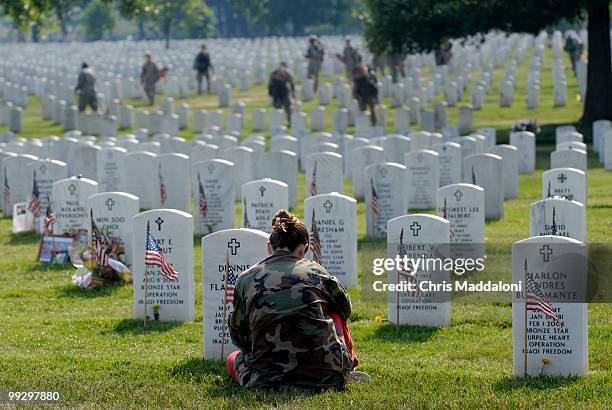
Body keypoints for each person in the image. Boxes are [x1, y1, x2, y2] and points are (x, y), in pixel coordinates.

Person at [228, 209, 368, 388]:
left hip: (266, 379)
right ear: (303, 249)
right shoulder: (316, 271)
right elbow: (345, 308)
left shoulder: (246, 278)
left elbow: (240, 336)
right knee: (334, 309)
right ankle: (346, 364)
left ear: (269, 246)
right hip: (327, 375)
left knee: (233, 358)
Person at [268, 62, 295, 127]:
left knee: (288, 108)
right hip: (276, 93)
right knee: (277, 109)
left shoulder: (287, 74)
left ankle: (290, 122)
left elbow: (291, 84)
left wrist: (293, 93)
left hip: (285, 92)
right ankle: (278, 124)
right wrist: (271, 93)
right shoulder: (273, 74)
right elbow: (270, 85)